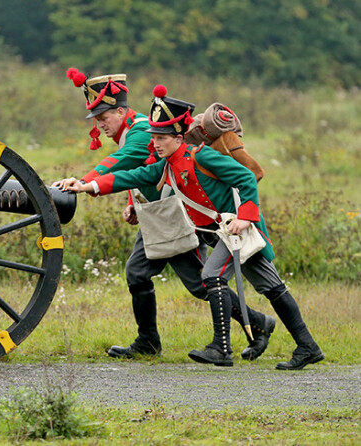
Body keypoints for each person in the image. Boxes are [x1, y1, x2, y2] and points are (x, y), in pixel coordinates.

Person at [62, 84, 324, 370]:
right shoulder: (166, 165)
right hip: (221, 234)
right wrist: (86, 186)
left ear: (177, 138)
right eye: (154, 137)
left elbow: (247, 177)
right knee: (271, 287)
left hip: (239, 229)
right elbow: (130, 175)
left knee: (219, 278)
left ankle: (222, 350)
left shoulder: (202, 156)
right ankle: (307, 346)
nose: (156, 144)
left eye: (161, 138)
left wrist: (246, 216)